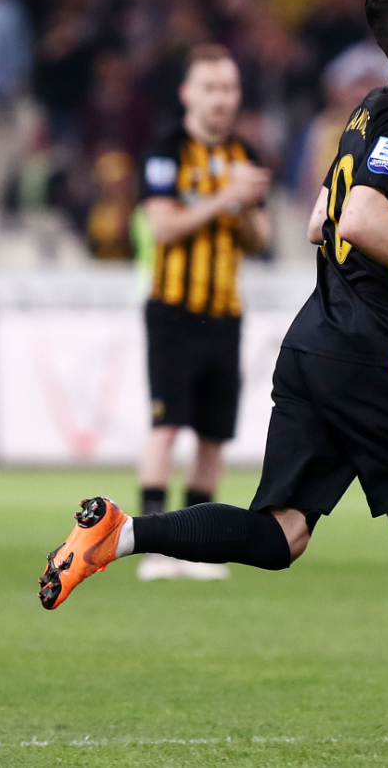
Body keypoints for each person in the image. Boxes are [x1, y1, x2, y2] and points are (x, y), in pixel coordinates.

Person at [38, 0, 388, 763]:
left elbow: (322, 219)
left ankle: (122, 533)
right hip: (370, 356)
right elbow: (355, 221)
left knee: (281, 534)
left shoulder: (365, 114)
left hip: (315, 343)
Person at [131, 42, 272, 581]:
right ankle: (151, 547)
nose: (222, 98)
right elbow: (163, 227)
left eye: (229, 88)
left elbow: (259, 240)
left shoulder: (245, 153)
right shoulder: (166, 149)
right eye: (211, 87)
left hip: (225, 311)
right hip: (172, 309)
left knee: (214, 436)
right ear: (188, 93)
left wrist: (245, 205)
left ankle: (194, 550)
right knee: (166, 428)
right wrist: (225, 196)